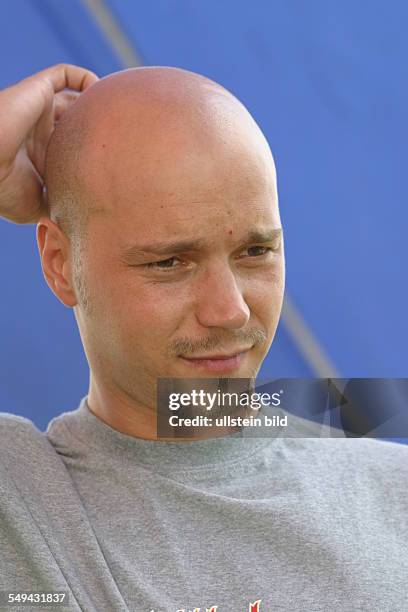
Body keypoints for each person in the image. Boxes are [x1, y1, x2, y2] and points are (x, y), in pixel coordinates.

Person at [0, 64, 407, 612]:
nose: (230, 310)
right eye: (170, 262)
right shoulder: (23, 501)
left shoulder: (392, 490)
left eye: (256, 252)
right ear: (59, 263)